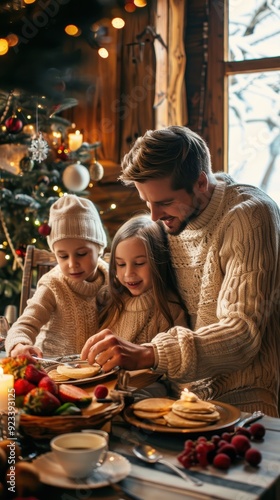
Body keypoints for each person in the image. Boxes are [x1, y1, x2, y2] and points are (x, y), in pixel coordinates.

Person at [81, 125, 280, 417]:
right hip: (176, 395)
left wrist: (151, 353)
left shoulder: (249, 216)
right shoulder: (170, 220)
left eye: (164, 202)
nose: (154, 216)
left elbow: (243, 333)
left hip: (245, 399)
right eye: (146, 202)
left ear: (200, 183)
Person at [5, 194, 108, 359]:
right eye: (63, 256)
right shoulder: (52, 284)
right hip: (52, 368)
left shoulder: (112, 279)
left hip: (97, 370)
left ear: (100, 248)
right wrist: (19, 345)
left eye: (81, 253)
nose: (72, 264)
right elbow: (24, 325)